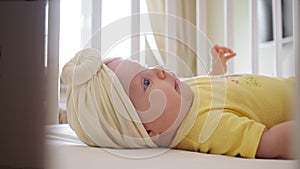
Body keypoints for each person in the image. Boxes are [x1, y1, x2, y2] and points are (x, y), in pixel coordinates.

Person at [61, 45, 294, 159]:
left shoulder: (184, 92)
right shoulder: (205, 128)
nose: (159, 71)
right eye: (146, 83)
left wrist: (217, 67)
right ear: (146, 131)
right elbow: (271, 143)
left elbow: (211, 85)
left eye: (147, 68)